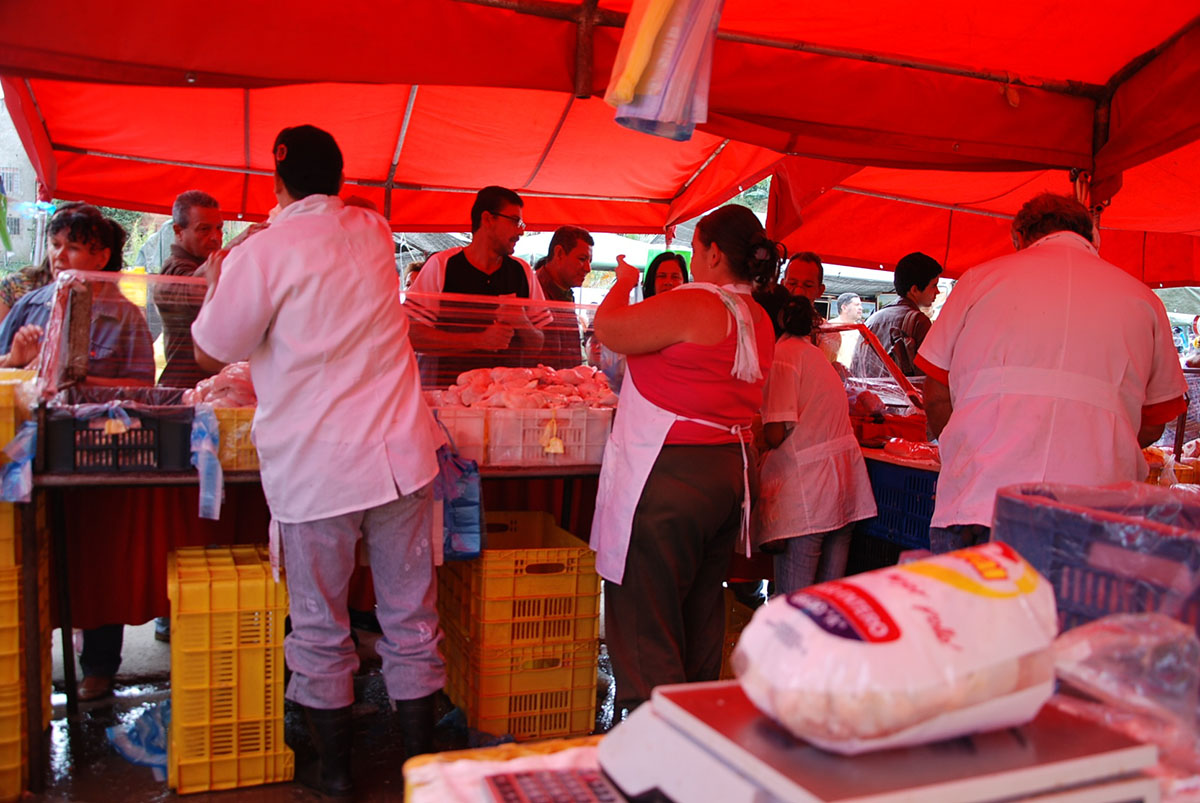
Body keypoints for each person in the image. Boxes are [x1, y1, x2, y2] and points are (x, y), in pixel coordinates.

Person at [191, 124, 445, 797]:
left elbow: (212, 352)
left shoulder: (263, 254)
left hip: (318, 466)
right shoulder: (371, 230)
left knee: (319, 623)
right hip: (399, 457)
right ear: (336, 178)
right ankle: (421, 769)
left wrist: (223, 275)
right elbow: (343, 214)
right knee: (411, 619)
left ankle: (336, 776)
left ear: (276, 182)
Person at [916, 193, 1187, 552]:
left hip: (978, 500)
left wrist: (970, 447)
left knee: (968, 608)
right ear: (1092, 235)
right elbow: (1154, 422)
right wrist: (1098, 440)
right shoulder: (1144, 300)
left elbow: (935, 393)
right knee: (1069, 609)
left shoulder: (979, 280)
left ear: (1018, 236)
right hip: (1092, 512)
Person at [590, 204, 779, 716]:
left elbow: (609, 329)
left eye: (696, 249)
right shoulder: (758, 316)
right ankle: (696, 716)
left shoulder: (698, 302)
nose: (694, 259)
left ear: (714, 253)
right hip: (727, 474)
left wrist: (624, 280)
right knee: (699, 599)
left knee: (645, 605)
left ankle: (655, 726)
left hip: (670, 474)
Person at [0, 204, 154, 701]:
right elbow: (7, 381)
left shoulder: (125, 313)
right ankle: (32, 668)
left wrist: (86, 382)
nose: (60, 256)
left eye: (74, 246)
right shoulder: (30, 307)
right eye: (56, 244)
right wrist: (17, 359)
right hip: (33, 460)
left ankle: (100, 668)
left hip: (98, 458)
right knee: (35, 562)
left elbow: (141, 391)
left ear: (101, 254)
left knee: (98, 562)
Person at [754, 295, 876, 594]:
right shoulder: (811, 354)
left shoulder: (783, 355)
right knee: (825, 606)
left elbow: (775, 434)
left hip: (808, 495)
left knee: (793, 605)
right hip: (843, 488)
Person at [405, 186, 546, 384]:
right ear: (488, 219)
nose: (521, 231)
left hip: (508, 402)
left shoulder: (523, 272)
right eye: (515, 221)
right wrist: (478, 340)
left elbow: (540, 343)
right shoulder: (442, 265)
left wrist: (523, 323)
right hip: (453, 402)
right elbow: (412, 335)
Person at [152, 190, 224, 388]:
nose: (215, 237)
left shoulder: (213, 265)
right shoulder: (173, 269)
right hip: (183, 391)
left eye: (219, 228)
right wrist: (238, 246)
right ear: (178, 231)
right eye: (204, 229)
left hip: (214, 388)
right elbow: (195, 292)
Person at [849, 251, 941, 377]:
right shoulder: (919, 321)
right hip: (902, 396)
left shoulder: (872, 319)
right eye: (934, 285)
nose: (938, 291)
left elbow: (856, 367)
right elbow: (927, 377)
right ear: (914, 290)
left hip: (868, 394)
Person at [536, 226, 593, 367]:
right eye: (582, 259)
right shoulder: (531, 290)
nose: (588, 268)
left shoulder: (565, 294)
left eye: (589, 261)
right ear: (559, 253)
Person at [781, 251, 839, 361]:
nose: (798, 292)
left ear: (820, 291)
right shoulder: (768, 323)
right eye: (792, 283)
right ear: (783, 284)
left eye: (807, 286)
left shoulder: (829, 334)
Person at [831, 291, 863, 366]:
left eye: (861, 305)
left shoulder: (859, 330)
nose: (861, 308)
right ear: (844, 307)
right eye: (857, 305)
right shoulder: (831, 327)